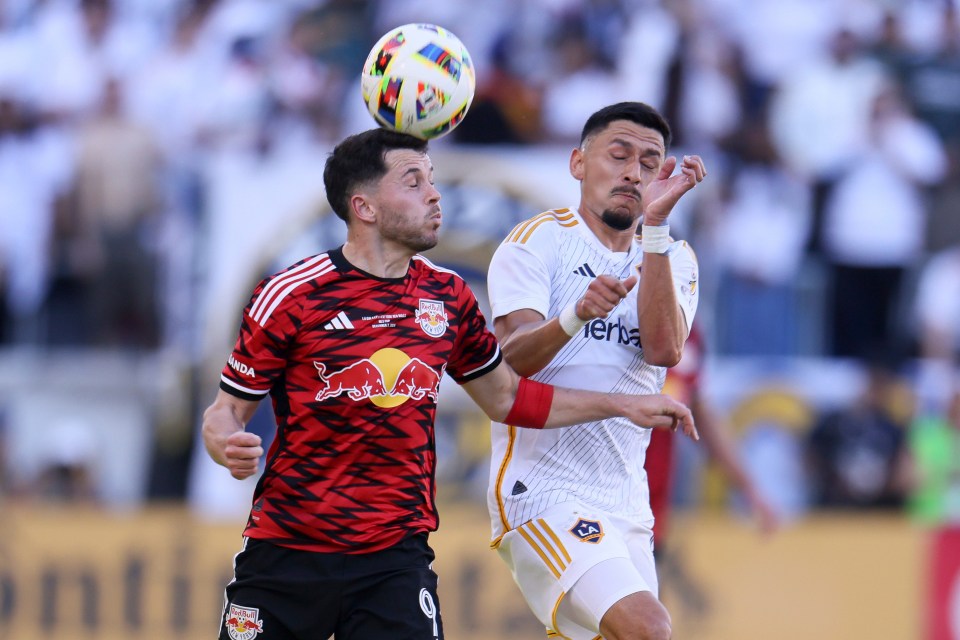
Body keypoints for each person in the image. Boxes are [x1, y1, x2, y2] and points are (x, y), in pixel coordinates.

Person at [201, 127, 698, 640]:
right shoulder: (293, 294)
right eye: (414, 182)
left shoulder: (448, 296)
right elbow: (225, 411)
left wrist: (621, 404)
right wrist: (225, 443)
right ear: (365, 207)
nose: (434, 194)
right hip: (288, 552)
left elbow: (508, 397)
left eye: (433, 179)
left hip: (394, 560)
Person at [485, 102, 705, 640]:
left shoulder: (674, 256)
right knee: (649, 629)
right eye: (620, 154)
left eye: (650, 162)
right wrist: (575, 315)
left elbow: (662, 350)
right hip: (543, 490)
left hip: (626, 499)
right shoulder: (537, 241)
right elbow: (504, 367)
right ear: (578, 163)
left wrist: (652, 229)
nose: (634, 172)